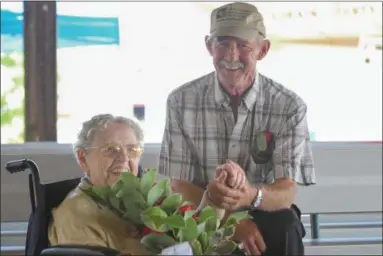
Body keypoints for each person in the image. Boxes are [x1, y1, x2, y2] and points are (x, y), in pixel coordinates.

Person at [158, 2, 316, 255]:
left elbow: (286, 192)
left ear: (262, 50)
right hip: (200, 208)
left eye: (243, 45)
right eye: (222, 43)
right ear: (209, 46)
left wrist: (250, 197)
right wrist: (230, 219)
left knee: (285, 225)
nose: (231, 55)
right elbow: (180, 186)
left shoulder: (289, 106)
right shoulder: (181, 101)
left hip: (261, 208)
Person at [48, 114, 245, 255]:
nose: (123, 158)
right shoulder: (75, 214)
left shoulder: (144, 198)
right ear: (83, 158)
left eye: (132, 150)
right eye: (110, 149)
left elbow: (192, 241)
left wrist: (214, 199)